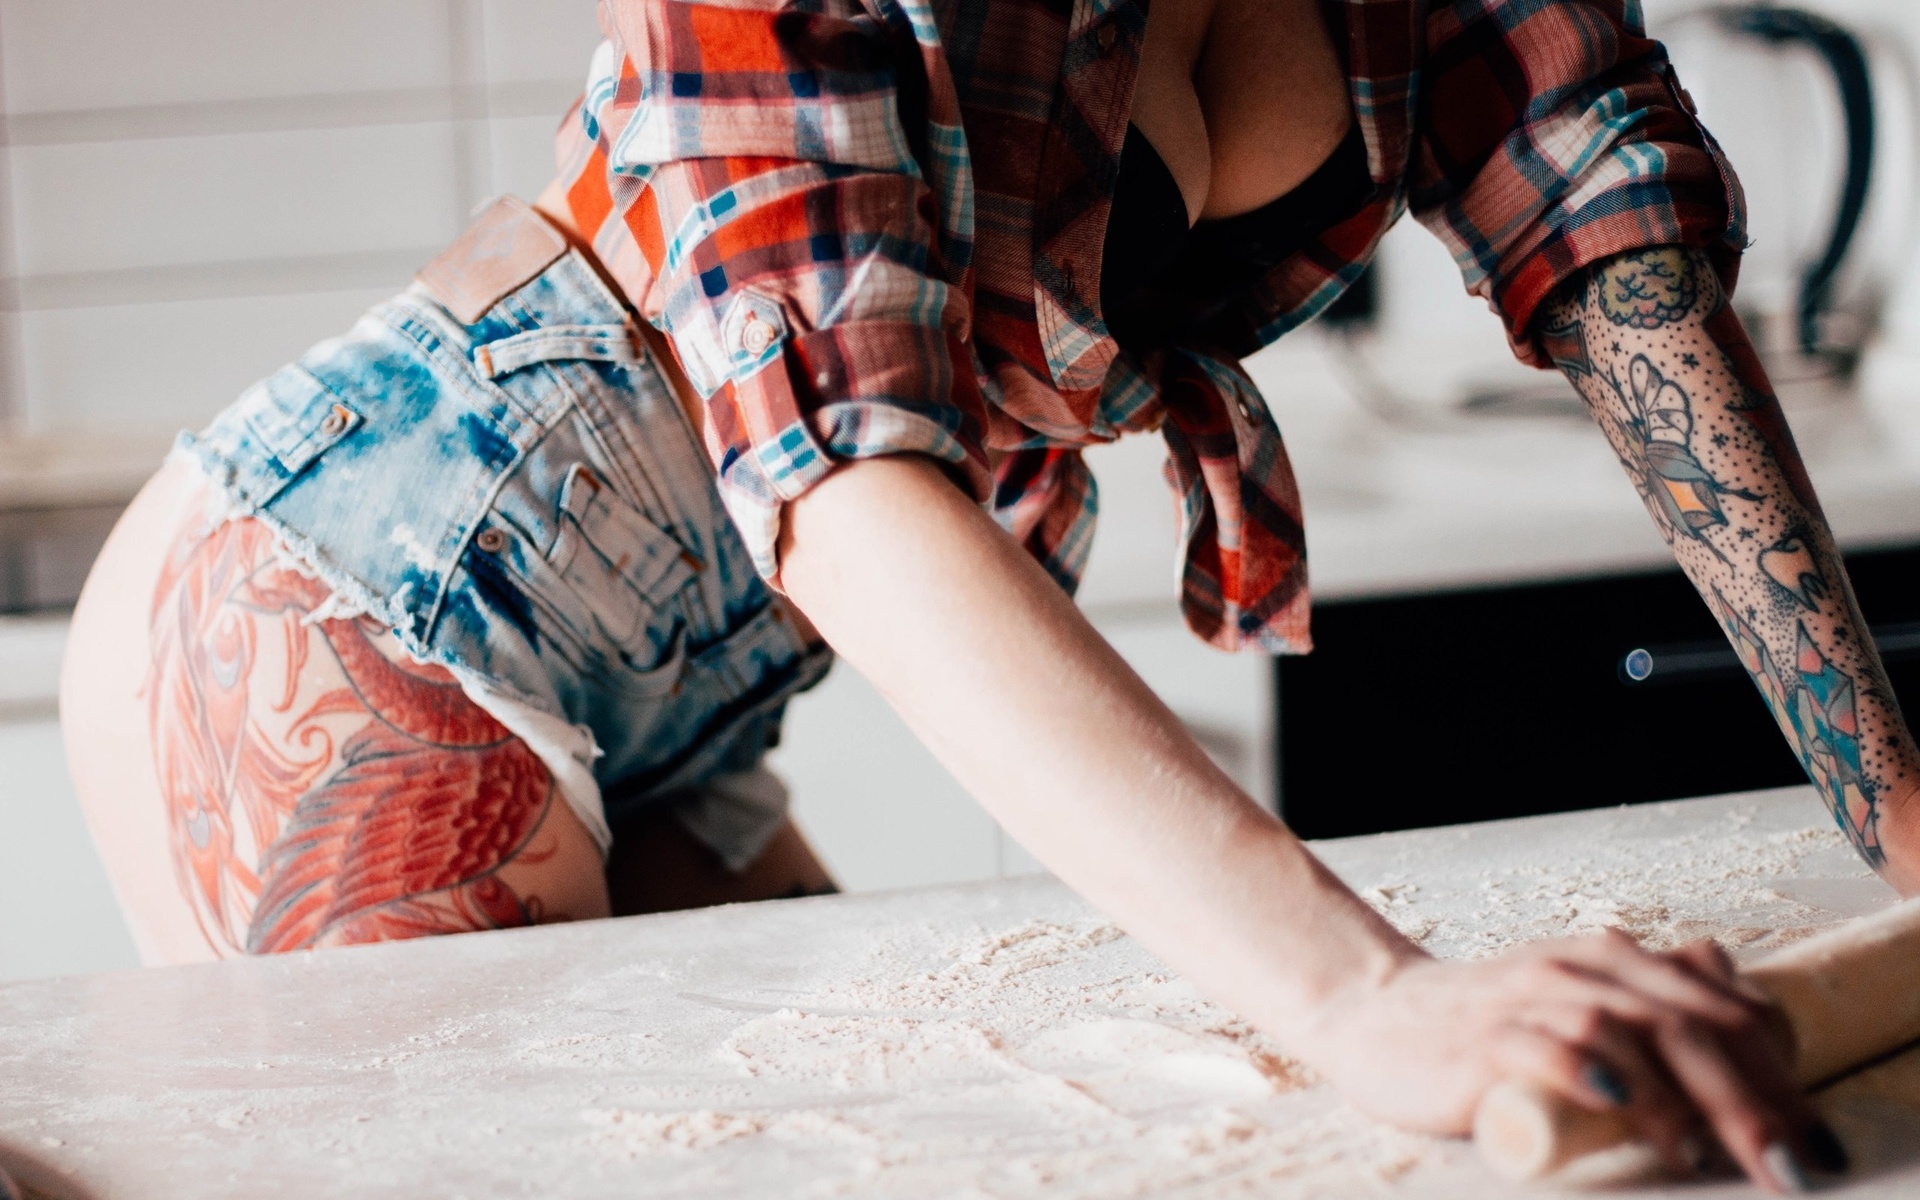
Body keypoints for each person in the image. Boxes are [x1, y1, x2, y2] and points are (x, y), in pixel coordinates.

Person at [60, 0, 1915, 1187]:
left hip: (695, 704)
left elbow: (1610, 245)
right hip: (362, 616)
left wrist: (1900, 816)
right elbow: (847, 489)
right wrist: (1369, 999)